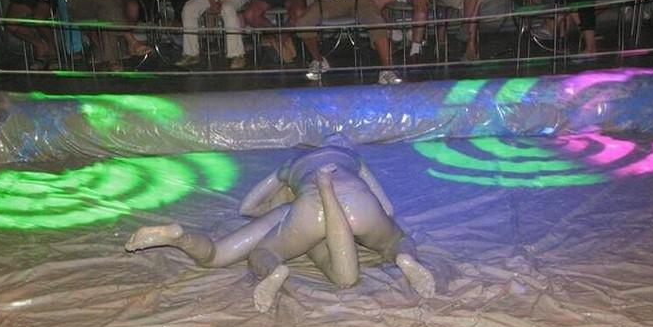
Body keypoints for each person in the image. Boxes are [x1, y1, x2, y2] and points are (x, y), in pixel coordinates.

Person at [125, 136, 436, 312]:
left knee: (229, 254)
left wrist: (277, 204)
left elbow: (247, 206)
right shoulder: (350, 158)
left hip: (305, 213)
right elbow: (388, 208)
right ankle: (405, 259)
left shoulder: (292, 166)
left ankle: (180, 238)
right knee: (394, 243)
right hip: (358, 202)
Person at [296, 0, 405, 84]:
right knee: (303, 23)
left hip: (358, 0)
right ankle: (318, 60)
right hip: (327, 1)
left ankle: (387, 70)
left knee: (376, 21)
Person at [65, 0, 152, 71]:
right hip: (78, 0)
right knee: (107, 1)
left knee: (107, 9)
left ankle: (113, 62)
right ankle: (131, 41)